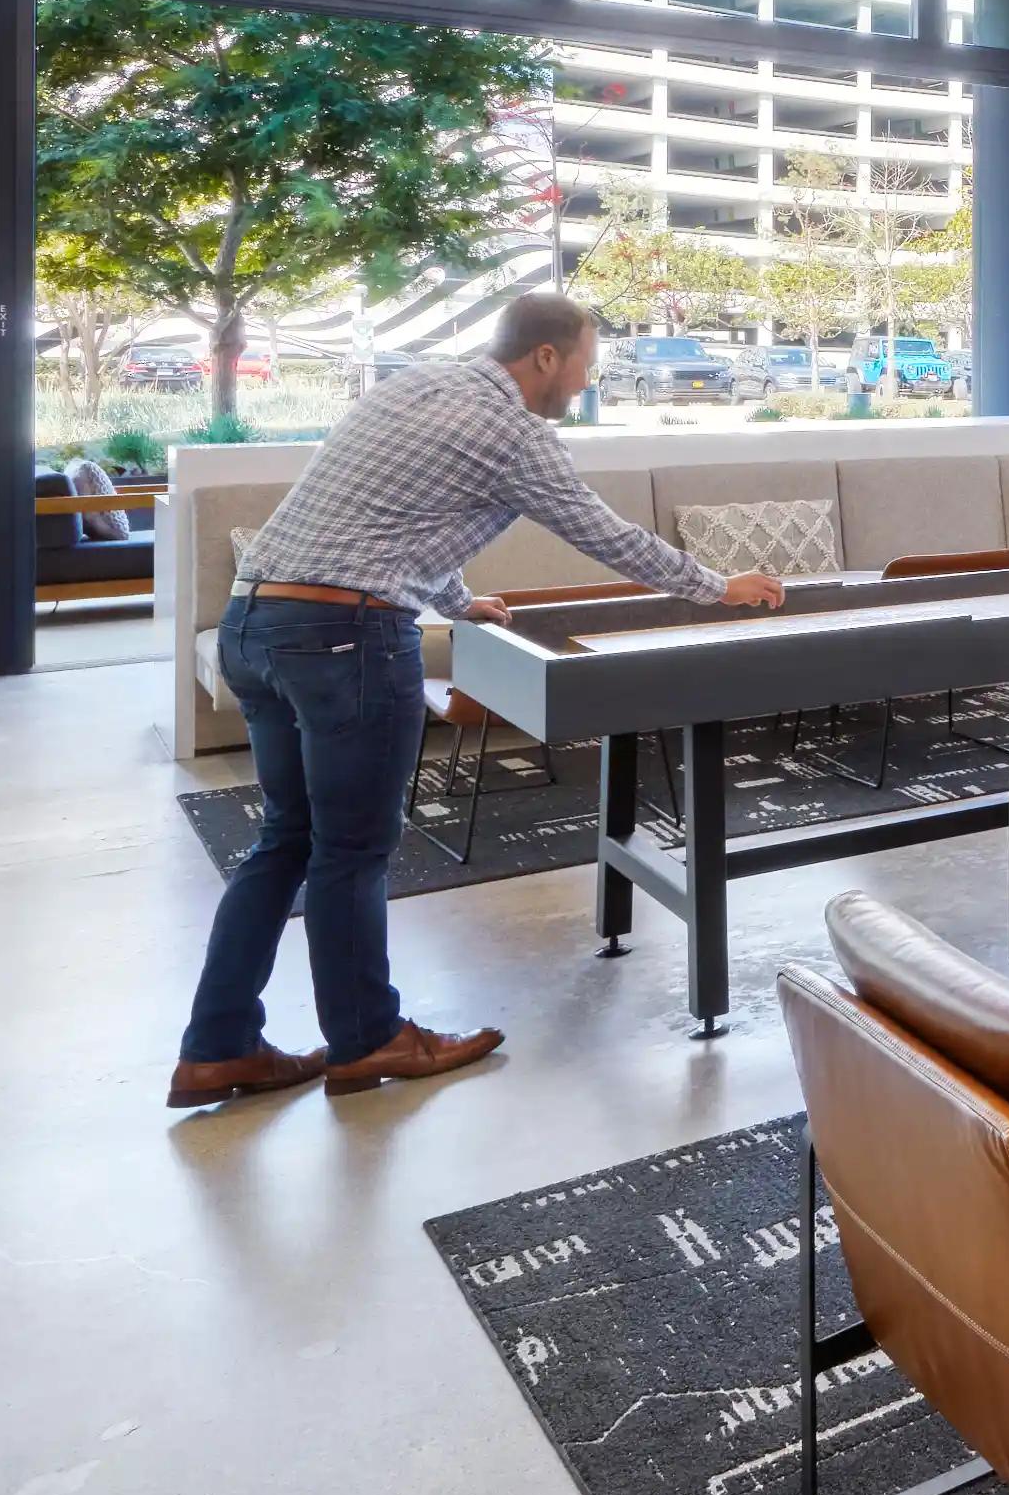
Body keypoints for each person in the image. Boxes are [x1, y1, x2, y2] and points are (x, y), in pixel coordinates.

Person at [166, 294, 789, 1109]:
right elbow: (599, 530)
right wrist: (716, 587)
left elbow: (390, 513)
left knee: (287, 838)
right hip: (344, 639)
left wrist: (458, 602)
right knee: (351, 851)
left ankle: (218, 1047)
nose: (585, 380)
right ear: (544, 359)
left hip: (259, 623)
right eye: (584, 364)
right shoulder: (511, 431)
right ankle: (368, 1040)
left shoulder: (416, 386)